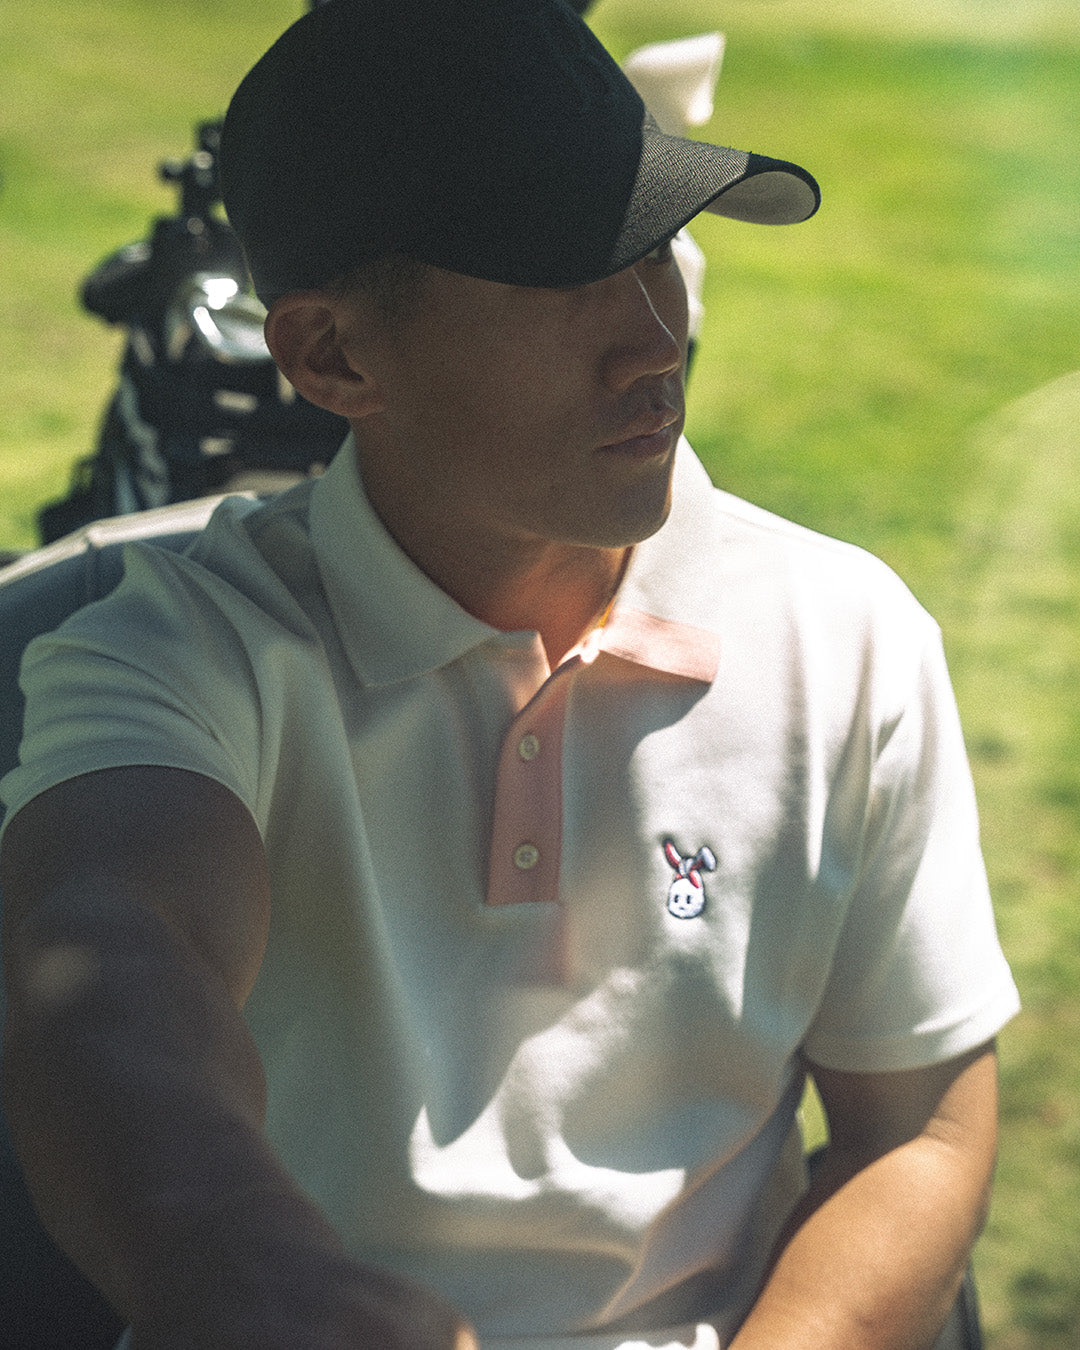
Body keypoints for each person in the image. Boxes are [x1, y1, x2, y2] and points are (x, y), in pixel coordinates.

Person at [0, 1, 1019, 1348]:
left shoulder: (849, 635)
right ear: (332, 356)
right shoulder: (178, 645)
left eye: (657, 249)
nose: (656, 337)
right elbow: (107, 956)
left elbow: (924, 1131)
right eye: (565, 277)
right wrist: (249, 1275)